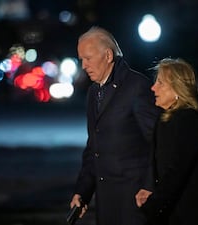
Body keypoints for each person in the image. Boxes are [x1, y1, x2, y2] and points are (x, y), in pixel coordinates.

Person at [68, 26, 162, 225]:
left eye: (88, 58)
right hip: (106, 200)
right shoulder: (94, 92)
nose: (83, 65)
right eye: (81, 59)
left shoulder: (136, 86)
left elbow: (158, 140)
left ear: (108, 55)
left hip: (135, 199)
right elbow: (94, 146)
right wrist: (82, 191)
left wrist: (149, 186)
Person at [135, 58, 198, 225]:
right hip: (176, 209)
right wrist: (152, 192)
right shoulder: (167, 119)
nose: (153, 88)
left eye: (160, 83)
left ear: (177, 88)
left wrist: (153, 204)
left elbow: (177, 171)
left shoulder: (188, 120)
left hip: (194, 212)